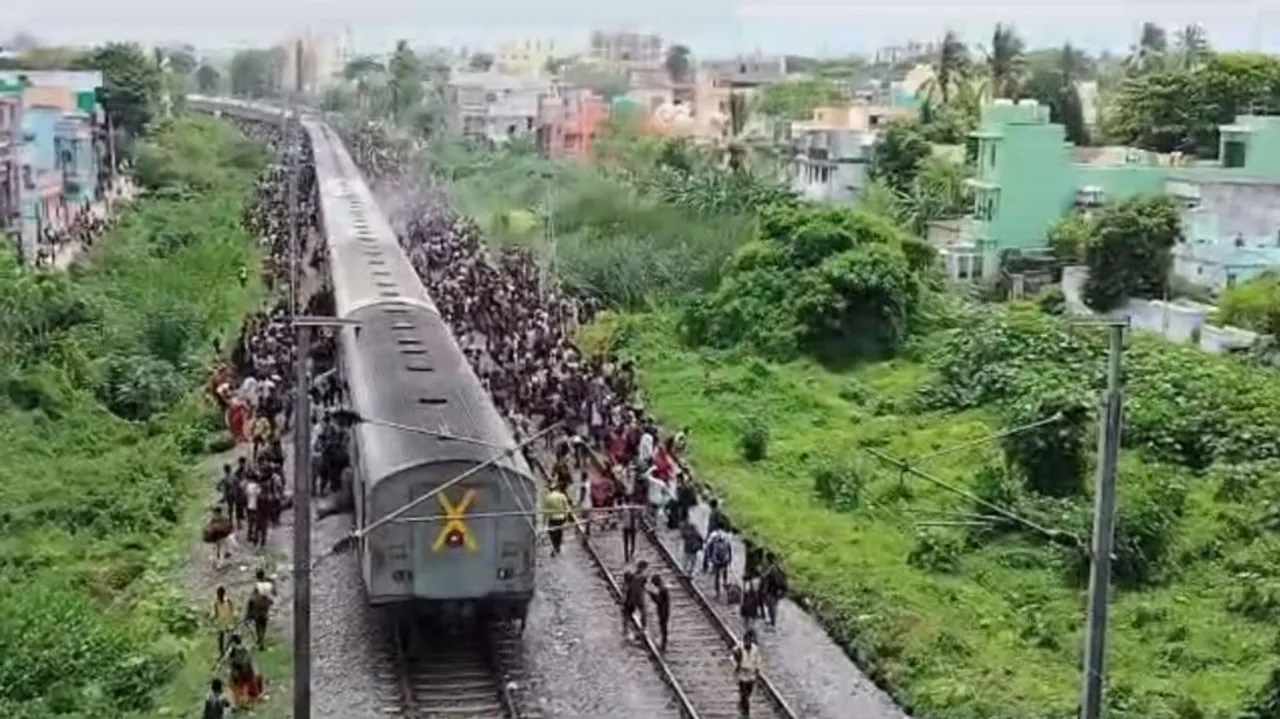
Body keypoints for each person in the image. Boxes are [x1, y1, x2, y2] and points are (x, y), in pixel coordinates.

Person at [225, 634, 260, 710]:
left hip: (242, 670)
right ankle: (244, 702)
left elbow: (230, 662)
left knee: (242, 687)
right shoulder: (242, 649)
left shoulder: (235, 650)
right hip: (242, 670)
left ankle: (243, 702)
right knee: (243, 686)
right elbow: (248, 659)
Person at [733, 629, 762, 718]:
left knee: (749, 692)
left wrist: (757, 669)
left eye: (749, 640)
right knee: (745, 693)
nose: (747, 643)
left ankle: (742, 703)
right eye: (746, 641)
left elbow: (757, 660)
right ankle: (746, 713)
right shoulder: (739, 648)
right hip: (742, 674)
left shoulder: (755, 649)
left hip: (751, 674)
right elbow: (734, 658)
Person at [246, 570, 275, 651]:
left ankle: (260, 640)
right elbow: (272, 597)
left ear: (257, 577)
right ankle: (261, 639)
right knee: (263, 625)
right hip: (265, 609)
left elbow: (252, 599)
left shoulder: (257, 585)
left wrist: (249, 612)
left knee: (258, 625)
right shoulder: (268, 585)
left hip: (257, 609)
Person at [544, 482, 571, 556]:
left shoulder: (548, 497)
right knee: (559, 532)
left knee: (552, 533)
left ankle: (555, 547)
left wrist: (544, 522)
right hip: (561, 518)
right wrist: (566, 517)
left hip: (552, 518)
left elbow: (546, 511)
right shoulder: (562, 496)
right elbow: (567, 508)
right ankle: (557, 547)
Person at [707, 528, 733, 600]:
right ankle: (717, 591)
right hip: (717, 561)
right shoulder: (714, 541)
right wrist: (711, 559)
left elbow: (729, 550)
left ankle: (725, 590)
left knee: (725, 576)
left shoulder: (727, 541)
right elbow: (709, 550)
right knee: (717, 577)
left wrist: (729, 559)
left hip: (724, 561)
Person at [211, 586, 237, 659]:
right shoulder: (216, 602)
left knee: (231, 637)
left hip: (229, 622)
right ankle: (221, 653)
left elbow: (232, 610)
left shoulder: (228, 600)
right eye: (219, 594)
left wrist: (234, 619)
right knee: (221, 639)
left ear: (223, 593)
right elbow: (215, 613)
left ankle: (232, 652)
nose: (220, 595)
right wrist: (212, 619)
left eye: (221, 593)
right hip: (221, 622)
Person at [648, 574, 671, 652]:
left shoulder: (662, 590)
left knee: (663, 627)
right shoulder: (663, 588)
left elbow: (659, 601)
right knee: (663, 627)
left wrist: (652, 595)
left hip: (663, 611)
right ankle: (663, 642)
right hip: (665, 610)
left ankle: (663, 644)